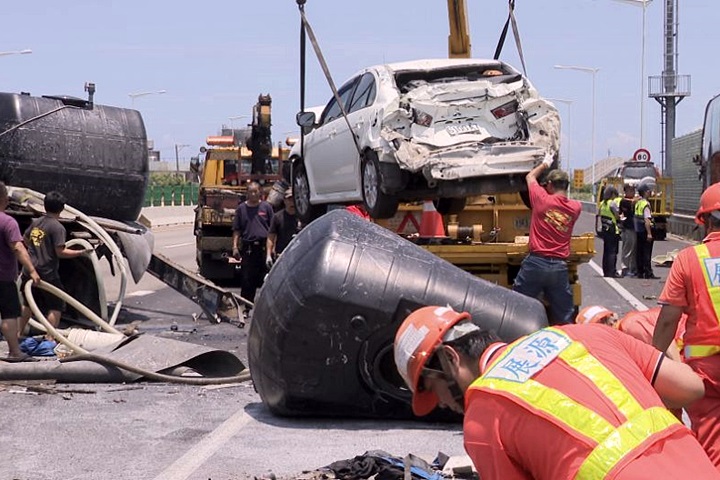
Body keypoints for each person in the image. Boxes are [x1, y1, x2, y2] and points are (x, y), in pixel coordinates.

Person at [394, 305, 720, 480]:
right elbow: (691, 387)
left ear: (451, 359)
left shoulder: (483, 416)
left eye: (434, 389)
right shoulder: (585, 334)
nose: (446, 405)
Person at [654, 181, 720, 469]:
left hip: (708, 374)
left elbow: (669, 319)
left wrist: (654, 361)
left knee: (712, 448)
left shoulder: (689, 259)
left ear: (703, 221)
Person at [512, 159, 581, 324]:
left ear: (549, 185)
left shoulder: (542, 200)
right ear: (567, 186)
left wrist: (544, 163)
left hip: (535, 263)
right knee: (565, 316)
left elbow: (530, 177)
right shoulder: (576, 207)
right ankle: (568, 343)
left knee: (517, 307)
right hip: (558, 267)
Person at [18, 191, 88, 337]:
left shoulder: (36, 223)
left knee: (28, 304)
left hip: (29, 270)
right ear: (62, 208)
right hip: (47, 273)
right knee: (56, 305)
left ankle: (18, 334)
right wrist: (81, 252)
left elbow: (25, 240)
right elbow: (60, 252)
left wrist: (36, 249)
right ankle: (50, 338)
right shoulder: (57, 227)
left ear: (45, 206)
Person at [0, 182, 40, 360]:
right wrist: (32, 270)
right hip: (3, 277)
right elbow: (18, 248)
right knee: (9, 314)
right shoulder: (8, 222)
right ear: (4, 199)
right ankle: (15, 352)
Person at [232, 182, 274, 303]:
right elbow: (237, 230)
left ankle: (266, 306)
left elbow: (273, 230)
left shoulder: (266, 207)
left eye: (256, 191)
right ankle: (246, 306)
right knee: (247, 279)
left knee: (266, 278)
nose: (254, 194)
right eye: (251, 191)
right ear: (247, 193)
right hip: (249, 248)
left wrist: (272, 250)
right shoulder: (241, 209)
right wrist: (234, 247)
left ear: (260, 192)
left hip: (264, 248)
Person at [265, 187, 301, 269]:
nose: (291, 202)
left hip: (299, 255)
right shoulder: (277, 217)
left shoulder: (303, 217)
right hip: (281, 255)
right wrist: (268, 255)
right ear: (284, 201)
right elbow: (271, 236)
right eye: (289, 199)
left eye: (293, 199)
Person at [596, 185, 621, 277]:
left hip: (604, 229)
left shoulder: (602, 203)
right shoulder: (612, 203)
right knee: (613, 252)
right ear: (612, 194)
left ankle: (606, 271)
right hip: (612, 230)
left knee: (606, 251)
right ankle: (612, 271)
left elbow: (598, 214)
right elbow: (617, 215)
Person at [634, 183, 658, 279]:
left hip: (638, 230)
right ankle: (648, 272)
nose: (650, 192)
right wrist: (649, 233)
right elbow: (647, 220)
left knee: (639, 252)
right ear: (645, 192)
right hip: (645, 230)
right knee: (647, 252)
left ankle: (640, 272)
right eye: (648, 191)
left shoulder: (638, 203)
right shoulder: (646, 204)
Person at [619, 183, 637, 277]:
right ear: (626, 191)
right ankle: (625, 268)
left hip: (633, 228)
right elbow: (630, 205)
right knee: (628, 248)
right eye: (630, 190)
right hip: (628, 228)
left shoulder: (633, 201)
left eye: (633, 190)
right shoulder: (624, 201)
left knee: (633, 249)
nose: (632, 192)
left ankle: (632, 268)